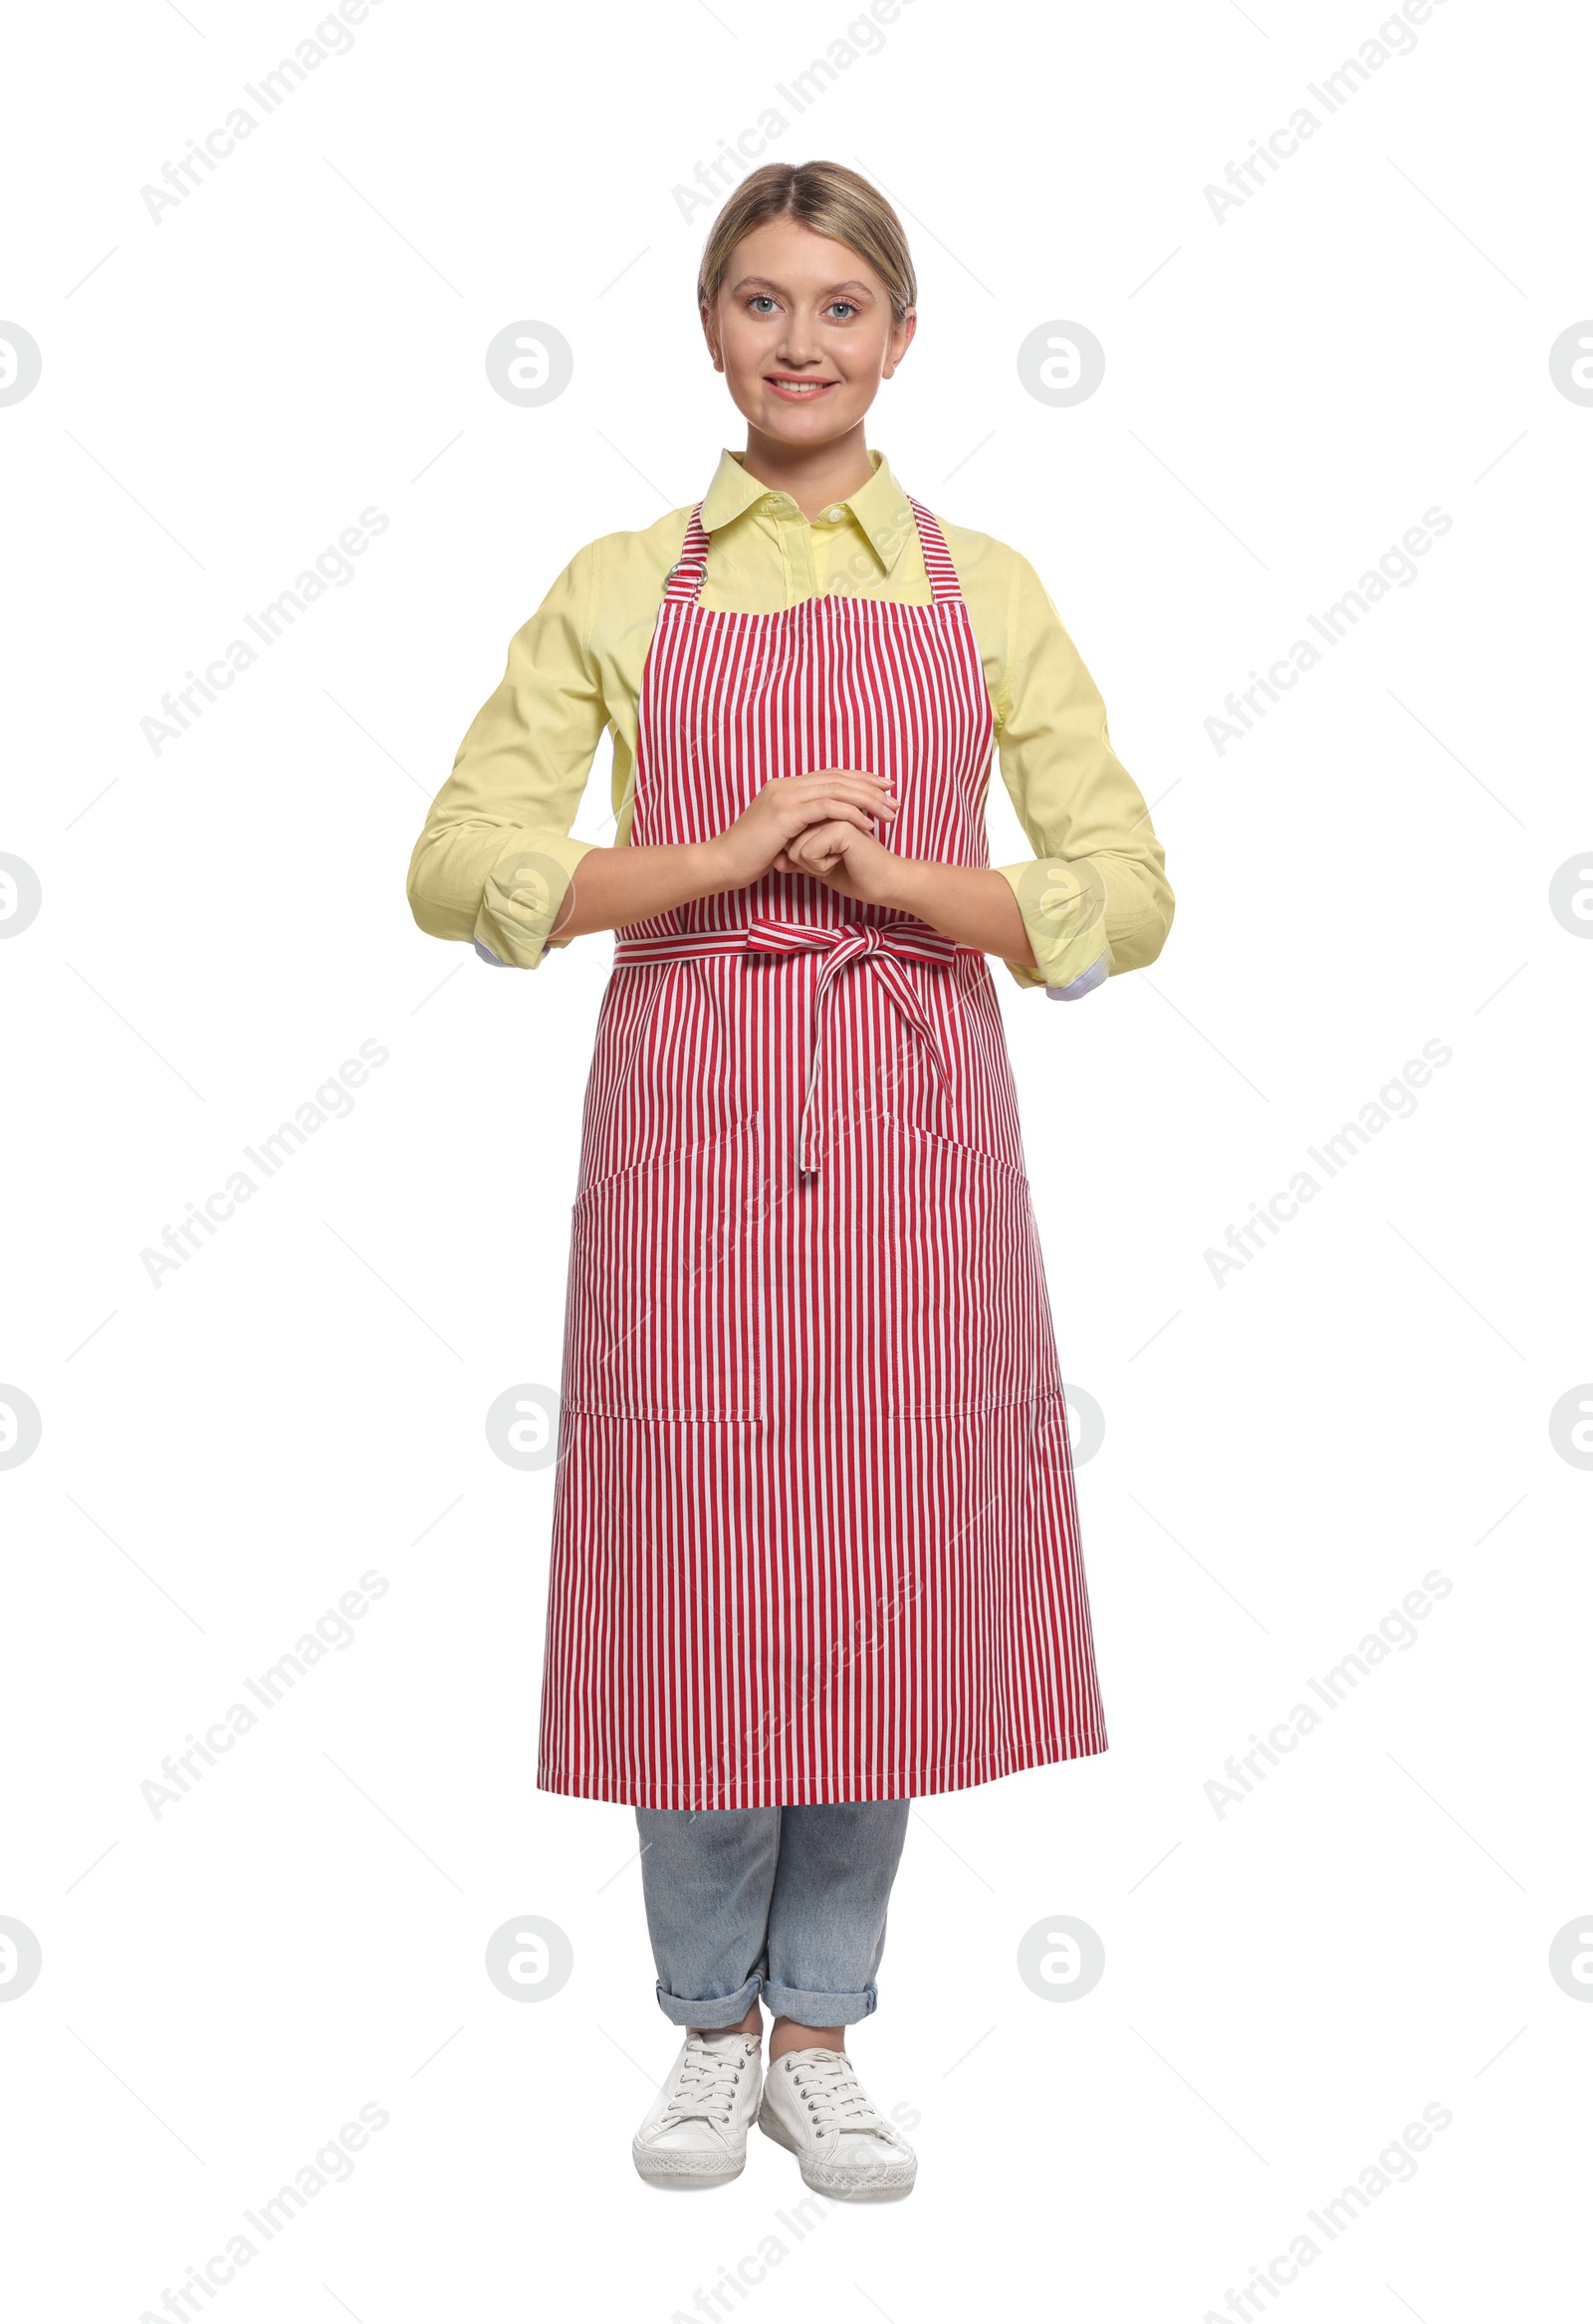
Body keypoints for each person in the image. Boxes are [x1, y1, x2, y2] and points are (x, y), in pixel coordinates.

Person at [406, 159, 1174, 2201]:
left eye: (841, 303)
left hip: (916, 1102)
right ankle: (697, 2026)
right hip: (691, 1108)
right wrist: (716, 853)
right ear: (712, 330)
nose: (802, 337)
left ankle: (819, 2025)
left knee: (883, 1567)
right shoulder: (616, 580)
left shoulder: (980, 584)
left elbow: (1128, 890)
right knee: (687, 1565)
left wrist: (930, 885)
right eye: (761, 300)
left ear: (899, 336)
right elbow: (457, 862)